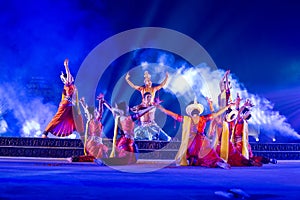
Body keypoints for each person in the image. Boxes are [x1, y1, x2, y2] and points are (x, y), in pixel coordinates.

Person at [157, 97, 233, 169]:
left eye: (195, 109)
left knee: (203, 153)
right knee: (206, 152)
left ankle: (215, 162)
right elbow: (172, 114)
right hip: (197, 141)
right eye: (195, 109)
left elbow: (215, 115)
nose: (195, 110)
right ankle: (216, 162)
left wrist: (161, 108)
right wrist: (160, 108)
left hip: (197, 142)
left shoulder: (195, 119)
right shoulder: (195, 119)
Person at [98, 96, 157, 165]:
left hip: (123, 140)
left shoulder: (119, 117)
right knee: (125, 160)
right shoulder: (129, 118)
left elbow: (111, 109)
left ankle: (106, 161)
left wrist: (103, 101)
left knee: (125, 159)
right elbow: (141, 113)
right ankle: (105, 161)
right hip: (127, 141)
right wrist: (152, 107)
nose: (128, 109)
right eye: (127, 108)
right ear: (123, 110)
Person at [42, 58, 84, 138]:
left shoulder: (72, 86)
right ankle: (45, 133)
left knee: (77, 118)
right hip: (65, 104)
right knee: (58, 118)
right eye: (70, 77)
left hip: (71, 106)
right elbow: (68, 74)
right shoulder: (68, 84)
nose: (71, 77)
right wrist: (66, 66)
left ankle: (82, 134)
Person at [233, 98, 277, 164]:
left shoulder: (241, 121)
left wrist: (247, 107)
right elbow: (238, 112)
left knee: (245, 157)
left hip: (241, 144)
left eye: (245, 114)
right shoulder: (240, 121)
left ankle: (265, 160)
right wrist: (245, 106)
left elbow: (239, 113)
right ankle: (264, 160)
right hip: (240, 143)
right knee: (248, 157)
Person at [68, 95, 108, 162]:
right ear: (93, 114)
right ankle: (76, 159)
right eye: (96, 112)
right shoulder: (94, 120)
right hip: (94, 142)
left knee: (95, 156)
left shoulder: (93, 120)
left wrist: (100, 102)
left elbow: (91, 111)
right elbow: (99, 112)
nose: (97, 112)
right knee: (94, 156)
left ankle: (76, 158)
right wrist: (100, 103)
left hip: (94, 142)